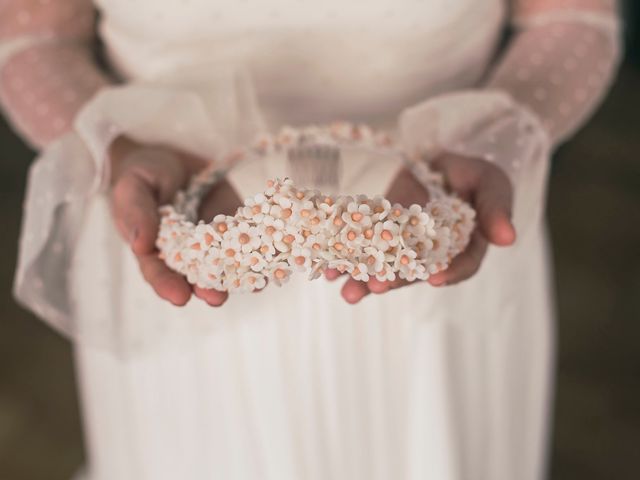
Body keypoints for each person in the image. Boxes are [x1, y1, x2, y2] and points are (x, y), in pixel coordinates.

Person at [0, 1, 621, 479]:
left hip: (440, 224)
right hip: (179, 239)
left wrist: (494, 137)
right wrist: (120, 149)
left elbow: (574, 15)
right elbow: (33, 36)